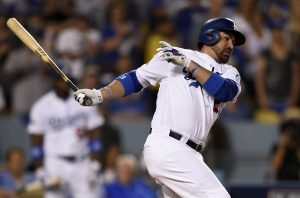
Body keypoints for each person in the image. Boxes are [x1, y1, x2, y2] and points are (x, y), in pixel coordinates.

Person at [74, 17, 246, 198]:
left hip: (190, 154)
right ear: (210, 36)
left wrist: (188, 64)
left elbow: (224, 91)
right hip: (168, 145)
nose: (231, 45)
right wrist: (100, 94)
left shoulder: (229, 72)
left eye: (233, 42)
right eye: (227, 38)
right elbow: (135, 79)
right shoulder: (175, 54)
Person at [27, 69, 105, 198]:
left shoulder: (84, 100)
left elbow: (95, 136)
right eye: (60, 80)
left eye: (66, 80)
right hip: (54, 163)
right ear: (53, 81)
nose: (63, 84)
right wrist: (40, 170)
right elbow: (36, 142)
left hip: (82, 162)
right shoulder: (41, 106)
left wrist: (95, 164)